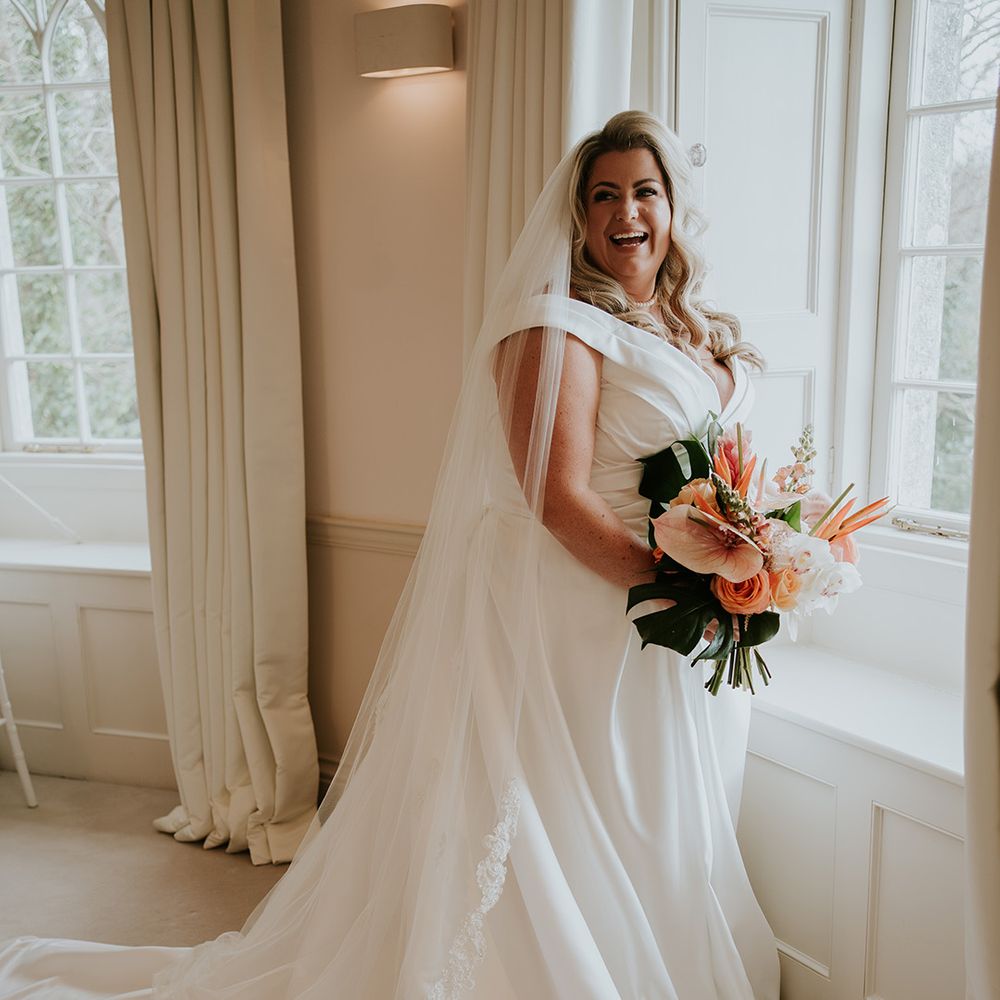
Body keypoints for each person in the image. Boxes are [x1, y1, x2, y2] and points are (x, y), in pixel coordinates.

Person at [0, 111, 780, 999]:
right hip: (574, 613)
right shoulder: (553, 322)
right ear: (576, 216)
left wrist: (745, 564)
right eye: (604, 195)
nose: (626, 212)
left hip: (665, 625)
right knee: (563, 816)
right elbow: (556, 498)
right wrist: (692, 580)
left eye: (645, 191)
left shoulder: (690, 327)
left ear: (674, 206)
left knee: (646, 815)